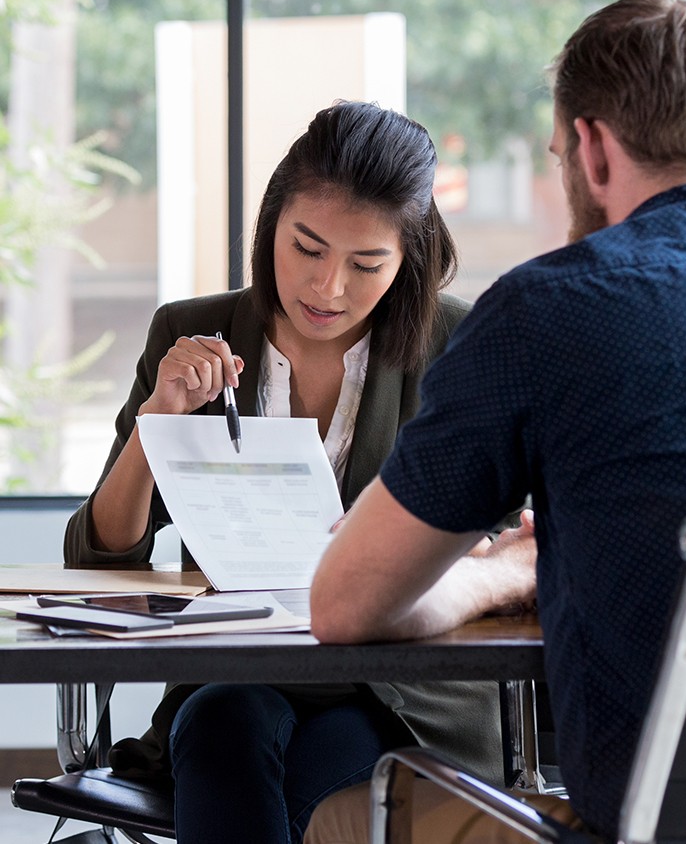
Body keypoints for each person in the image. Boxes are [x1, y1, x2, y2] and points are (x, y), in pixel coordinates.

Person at [305, 0, 686, 844]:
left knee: (341, 818)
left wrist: (506, 573)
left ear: (594, 149)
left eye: (561, 153)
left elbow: (345, 605)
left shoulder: (547, 314)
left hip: (639, 830)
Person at [64, 100, 527, 844]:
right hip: (240, 670)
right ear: (270, 226)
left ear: (407, 260)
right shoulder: (190, 332)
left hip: (394, 688)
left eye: (365, 264)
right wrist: (157, 424)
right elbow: (101, 558)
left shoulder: (457, 343)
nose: (327, 287)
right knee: (220, 723)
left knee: (311, 766)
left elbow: (505, 545)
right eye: (306, 249)